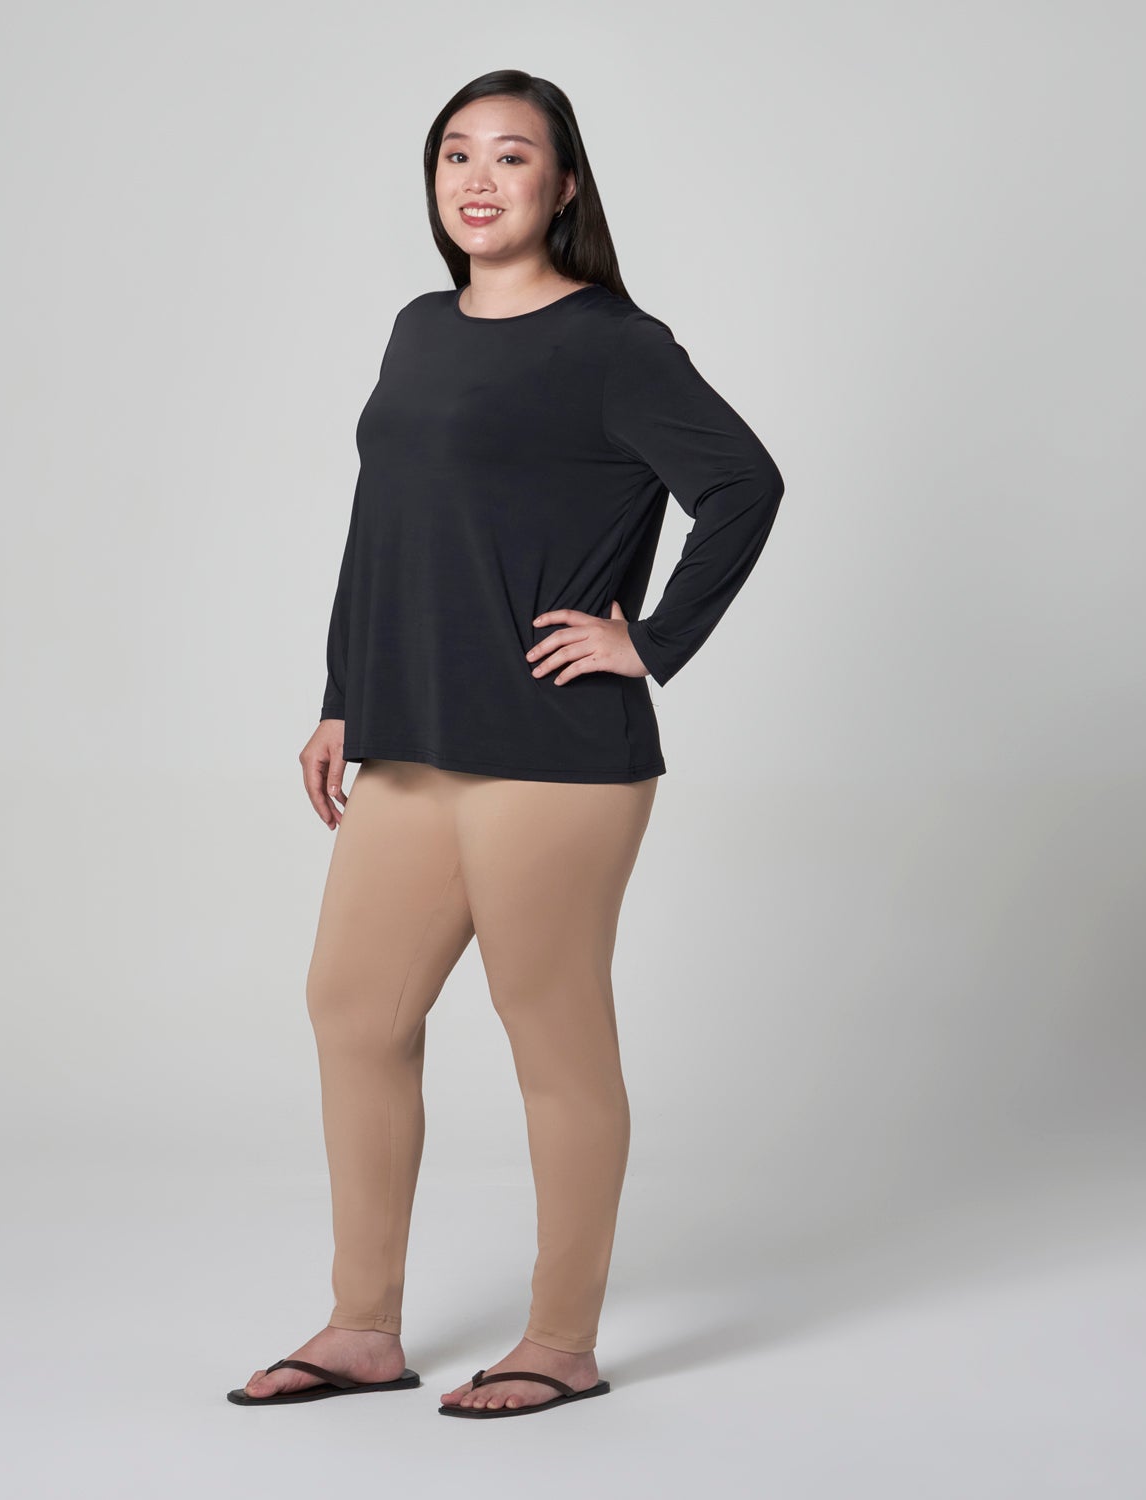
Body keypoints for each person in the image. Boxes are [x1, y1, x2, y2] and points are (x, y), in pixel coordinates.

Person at [228, 70, 785, 1419]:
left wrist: (649, 640)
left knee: (551, 1030)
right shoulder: (419, 330)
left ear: (565, 183)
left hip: (556, 752)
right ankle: (363, 1329)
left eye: (513, 156)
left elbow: (743, 483)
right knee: (352, 1009)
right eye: (456, 155)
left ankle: (561, 1342)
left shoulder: (613, 344)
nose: (479, 180)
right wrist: (343, 696)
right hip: (412, 740)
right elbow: (386, 523)